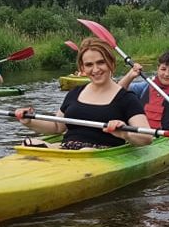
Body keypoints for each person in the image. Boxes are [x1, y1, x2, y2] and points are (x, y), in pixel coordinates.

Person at [14, 37, 152, 149]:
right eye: (89, 65)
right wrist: (29, 121)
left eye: (101, 62)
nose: (95, 69)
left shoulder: (127, 98)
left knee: (86, 150)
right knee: (29, 143)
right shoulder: (75, 93)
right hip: (68, 149)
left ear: (111, 63)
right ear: (82, 68)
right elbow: (57, 127)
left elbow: (146, 138)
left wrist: (125, 133)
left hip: (99, 153)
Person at [117, 49, 169, 130]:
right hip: (142, 133)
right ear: (158, 69)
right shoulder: (146, 85)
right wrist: (130, 76)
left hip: (165, 136)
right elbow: (118, 90)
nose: (166, 74)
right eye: (163, 69)